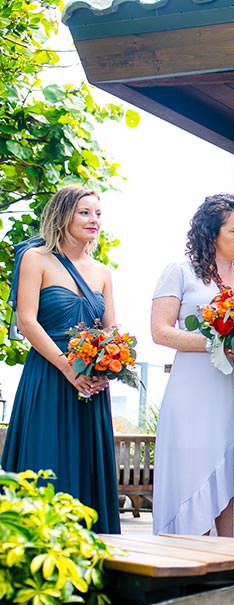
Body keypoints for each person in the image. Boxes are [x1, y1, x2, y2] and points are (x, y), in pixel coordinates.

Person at [151, 194, 234, 540]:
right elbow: (161, 331)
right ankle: (186, 561)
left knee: (233, 476)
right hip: (194, 392)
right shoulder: (180, 273)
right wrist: (217, 344)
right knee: (192, 474)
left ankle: (229, 560)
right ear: (212, 233)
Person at [2, 185, 120, 533]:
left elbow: (111, 328)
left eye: (97, 213)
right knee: (46, 462)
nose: (93, 220)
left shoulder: (102, 271)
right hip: (49, 376)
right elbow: (27, 320)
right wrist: (69, 368)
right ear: (63, 214)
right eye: (84, 212)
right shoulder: (35, 259)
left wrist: (108, 366)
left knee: (86, 467)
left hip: (91, 387)